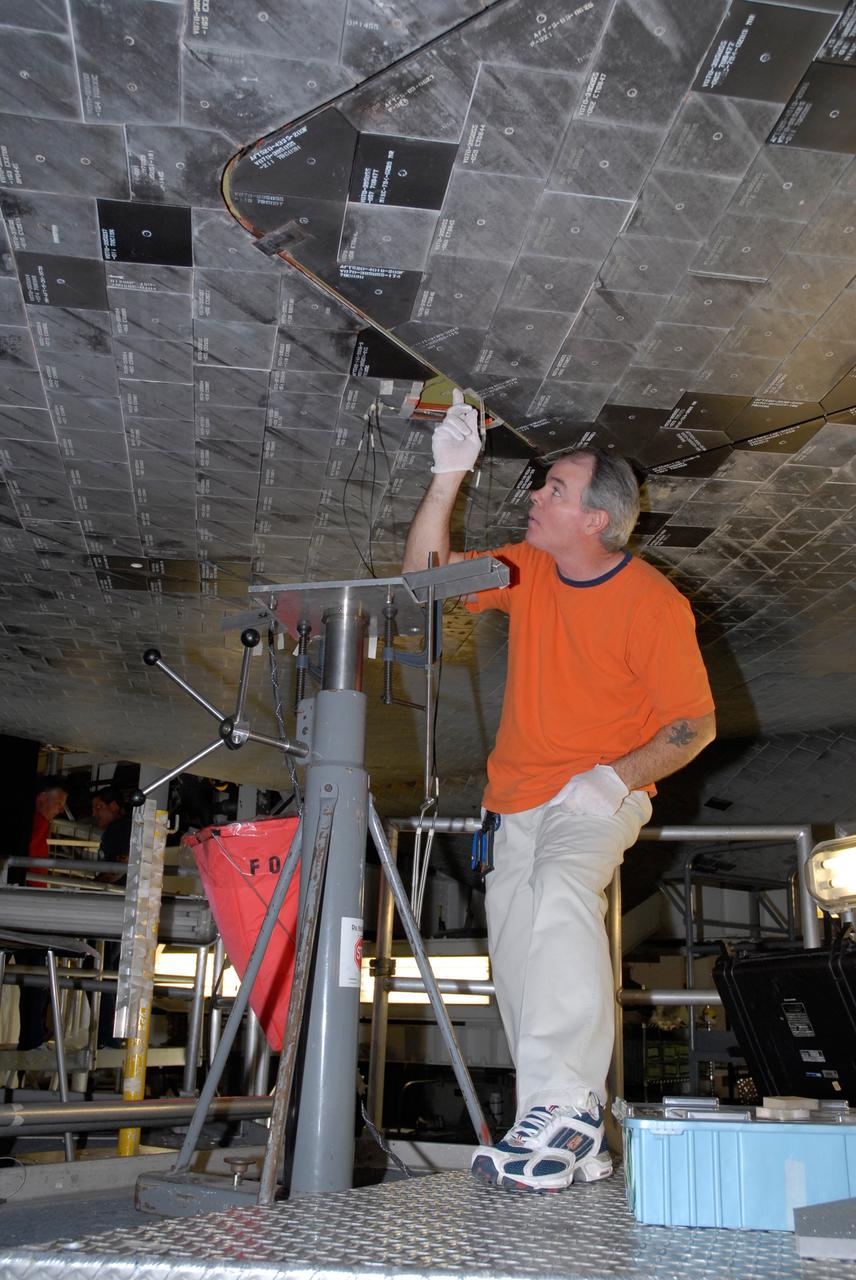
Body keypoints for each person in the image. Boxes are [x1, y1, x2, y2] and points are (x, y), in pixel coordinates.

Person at [402, 391, 716, 1192]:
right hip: (515, 801)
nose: (534, 497)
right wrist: (448, 477)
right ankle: (570, 1128)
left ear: (597, 521)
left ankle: (573, 1107)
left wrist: (613, 777)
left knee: (561, 890)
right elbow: (424, 589)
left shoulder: (653, 606)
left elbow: (693, 726)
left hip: (599, 797)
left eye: (554, 492)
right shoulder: (530, 566)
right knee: (514, 954)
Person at [17, 777, 69, 1050]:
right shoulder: (36, 824)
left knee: (33, 977)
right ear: (41, 798)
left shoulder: (33, 824)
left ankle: (33, 1035)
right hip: (29, 910)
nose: (60, 809)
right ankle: (32, 1037)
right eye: (58, 803)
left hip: (26, 906)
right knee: (35, 976)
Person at [90, 787, 132, 1047]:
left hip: (115, 909)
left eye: (99, 807)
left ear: (114, 805)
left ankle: (109, 1034)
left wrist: (94, 884)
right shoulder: (118, 830)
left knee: (100, 968)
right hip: (117, 910)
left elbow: (119, 866)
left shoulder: (119, 829)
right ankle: (109, 1035)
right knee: (105, 970)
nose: (95, 814)